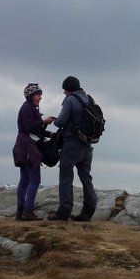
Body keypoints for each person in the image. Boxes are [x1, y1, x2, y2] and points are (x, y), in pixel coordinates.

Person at [48, 76, 97, 221]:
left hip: (71, 145)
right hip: (87, 145)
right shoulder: (89, 99)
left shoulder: (70, 100)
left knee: (66, 178)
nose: (64, 92)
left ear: (69, 89)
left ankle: (63, 212)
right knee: (86, 178)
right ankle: (88, 212)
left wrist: (54, 121)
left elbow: (61, 122)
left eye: (65, 90)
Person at [12, 83, 54, 220]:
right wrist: (44, 121)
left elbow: (33, 129)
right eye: (38, 95)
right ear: (31, 96)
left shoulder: (27, 108)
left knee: (24, 179)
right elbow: (30, 127)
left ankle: (20, 210)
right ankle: (28, 211)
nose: (40, 97)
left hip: (22, 148)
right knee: (35, 179)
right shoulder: (27, 109)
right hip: (28, 148)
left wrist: (50, 134)